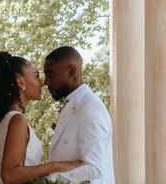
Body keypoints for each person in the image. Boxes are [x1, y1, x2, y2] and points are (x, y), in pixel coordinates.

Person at [0, 51, 84, 184]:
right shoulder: (17, 120)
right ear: (20, 82)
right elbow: (10, 175)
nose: (42, 83)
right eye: (36, 76)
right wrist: (56, 166)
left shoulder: (10, 119)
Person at [44, 46, 115, 184]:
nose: (46, 81)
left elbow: (93, 168)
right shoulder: (75, 104)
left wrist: (48, 180)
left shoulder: (90, 107)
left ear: (72, 71)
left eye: (50, 74)